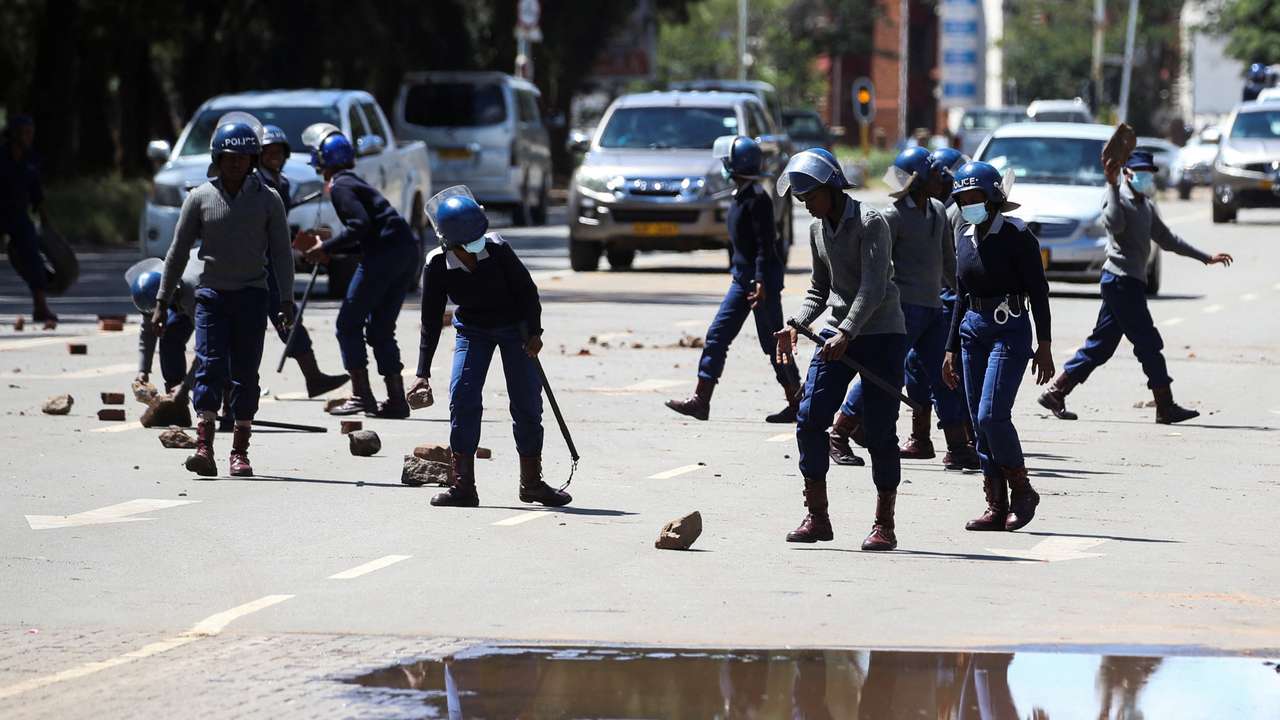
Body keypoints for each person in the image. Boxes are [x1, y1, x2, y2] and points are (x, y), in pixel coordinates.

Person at [774, 148, 907, 551]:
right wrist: (797, 322)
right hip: (837, 333)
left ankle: (884, 524)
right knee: (810, 417)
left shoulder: (872, 223)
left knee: (881, 433)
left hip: (881, 334)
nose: (806, 205)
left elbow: (873, 287)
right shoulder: (818, 231)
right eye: (800, 199)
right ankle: (817, 517)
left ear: (831, 188)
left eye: (810, 197)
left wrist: (847, 331)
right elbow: (819, 289)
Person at [1038, 151, 1233, 424]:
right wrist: (1112, 185)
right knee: (1148, 343)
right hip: (1120, 282)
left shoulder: (1146, 205)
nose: (1145, 177)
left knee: (1101, 346)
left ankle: (1057, 391)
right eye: (1139, 173)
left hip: (1127, 282)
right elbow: (1115, 224)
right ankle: (1165, 405)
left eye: (1149, 173)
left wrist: (1205, 257)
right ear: (1127, 173)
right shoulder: (1116, 197)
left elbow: (1167, 239)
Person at [411, 185, 571, 509]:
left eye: (478, 238)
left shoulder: (497, 249)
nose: (476, 247)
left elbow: (528, 293)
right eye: (469, 243)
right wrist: (422, 373)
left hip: (515, 331)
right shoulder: (437, 265)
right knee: (463, 397)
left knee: (527, 403)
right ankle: (463, 486)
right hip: (472, 332)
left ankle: (532, 483)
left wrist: (535, 333)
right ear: (450, 243)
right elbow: (430, 321)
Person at [153, 113, 294, 477]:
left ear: (253, 161)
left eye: (244, 158)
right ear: (217, 159)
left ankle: (240, 452)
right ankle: (204, 447)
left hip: (251, 297)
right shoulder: (200, 198)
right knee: (210, 368)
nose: (236, 163)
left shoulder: (269, 200)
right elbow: (178, 251)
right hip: (212, 297)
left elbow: (281, 254)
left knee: (246, 374)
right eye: (229, 157)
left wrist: (286, 300)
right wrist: (161, 301)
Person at [829, 147, 975, 473]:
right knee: (881, 375)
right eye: (935, 173)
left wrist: (967, 294)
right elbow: (877, 264)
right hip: (903, 310)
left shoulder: (938, 210)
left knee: (945, 377)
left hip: (934, 310)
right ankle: (839, 433)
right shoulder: (892, 217)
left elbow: (948, 264)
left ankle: (957, 447)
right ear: (917, 179)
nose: (942, 179)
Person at [941, 161, 1053, 532]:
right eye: (963, 199)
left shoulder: (1018, 236)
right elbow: (960, 296)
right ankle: (995, 503)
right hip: (973, 332)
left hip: (1010, 329)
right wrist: (950, 348)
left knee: (992, 415)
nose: (969, 204)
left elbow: (1039, 290)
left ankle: (1023, 491)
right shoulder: (965, 237)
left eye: (976, 198)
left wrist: (1045, 343)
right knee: (978, 422)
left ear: (993, 199)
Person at [666, 135, 801, 423]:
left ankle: (799, 402)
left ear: (735, 164)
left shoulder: (757, 200)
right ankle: (701, 401)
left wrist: (762, 282)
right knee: (717, 335)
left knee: (774, 343)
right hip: (743, 280)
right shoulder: (740, 196)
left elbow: (767, 244)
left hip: (759, 283)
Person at [295, 124, 417, 418]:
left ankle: (361, 396)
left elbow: (359, 226)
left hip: (384, 256)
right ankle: (396, 400)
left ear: (321, 159)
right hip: (404, 252)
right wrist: (333, 250)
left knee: (347, 324)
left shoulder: (340, 186)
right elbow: (368, 232)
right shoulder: (354, 182)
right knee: (380, 329)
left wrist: (325, 248)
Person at [256, 124, 348, 398]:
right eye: (267, 151)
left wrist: (307, 241)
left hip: (274, 262)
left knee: (287, 316)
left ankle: (313, 377)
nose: (274, 156)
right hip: (255, 264)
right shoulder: (256, 184)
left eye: (278, 151)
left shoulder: (280, 183)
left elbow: (279, 227)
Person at [0, 114, 56, 326]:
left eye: (31, 133)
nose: (29, 137)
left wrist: (45, 220)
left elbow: (36, 193)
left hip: (17, 215)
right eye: (26, 133)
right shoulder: (1, 157)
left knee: (32, 255)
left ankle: (40, 307)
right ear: (14, 134)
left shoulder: (30, 160)